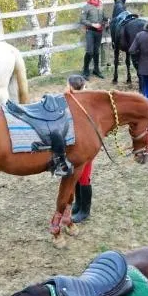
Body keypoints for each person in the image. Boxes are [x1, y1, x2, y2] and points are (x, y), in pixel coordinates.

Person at [67, 74, 94, 223]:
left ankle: (85, 210)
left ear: (71, 87)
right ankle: (78, 204)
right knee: (78, 175)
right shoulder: (75, 100)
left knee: (84, 177)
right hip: (79, 145)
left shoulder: (83, 104)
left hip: (86, 146)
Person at [79, 0, 108, 79]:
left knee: (96, 51)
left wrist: (107, 20)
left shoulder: (101, 6)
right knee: (90, 51)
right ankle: (85, 71)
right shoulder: (86, 7)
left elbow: (104, 17)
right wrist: (92, 24)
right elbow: (82, 20)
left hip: (99, 32)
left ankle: (96, 70)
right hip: (90, 31)